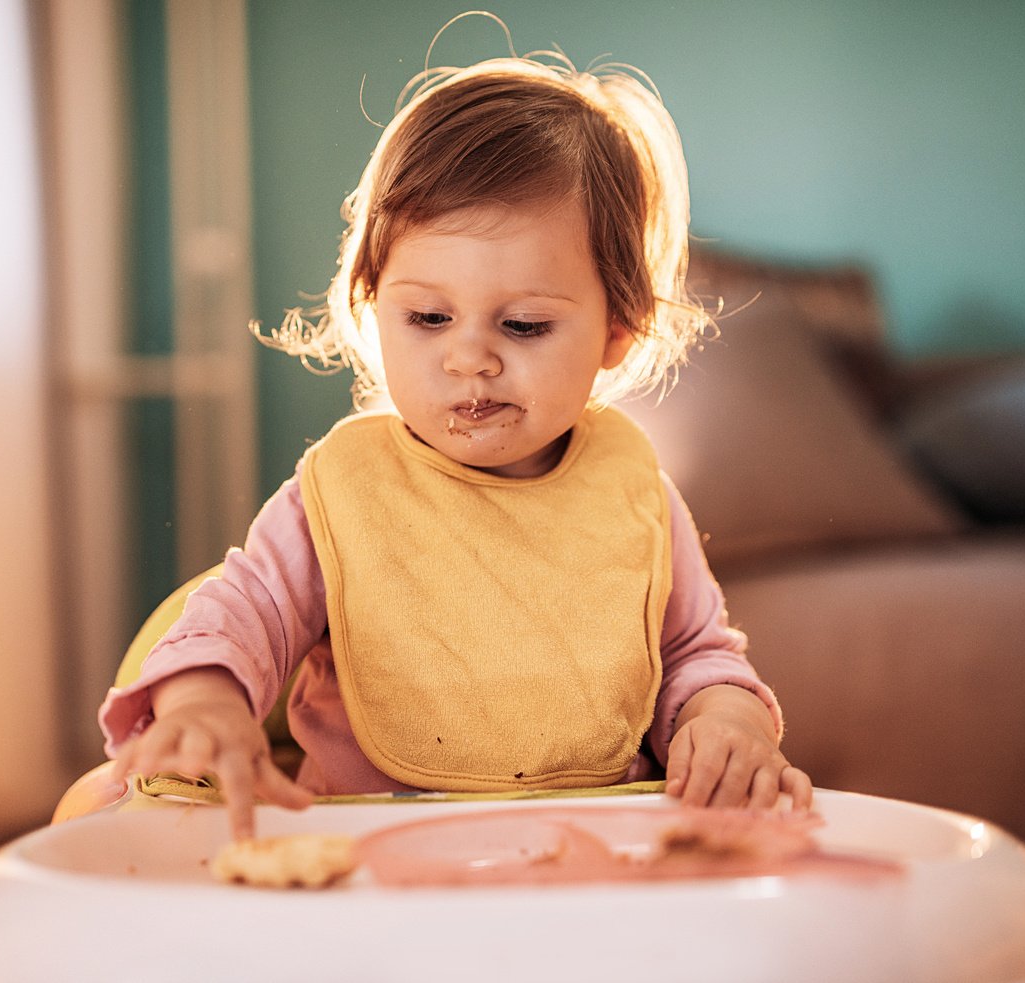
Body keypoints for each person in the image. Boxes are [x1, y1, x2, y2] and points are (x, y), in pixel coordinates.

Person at [99, 50, 812, 841]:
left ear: (617, 329)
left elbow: (694, 653)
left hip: (597, 862)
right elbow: (243, 614)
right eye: (429, 318)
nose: (469, 357)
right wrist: (206, 702)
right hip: (364, 861)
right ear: (373, 305)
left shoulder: (633, 490)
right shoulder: (341, 490)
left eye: (524, 325)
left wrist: (727, 718)